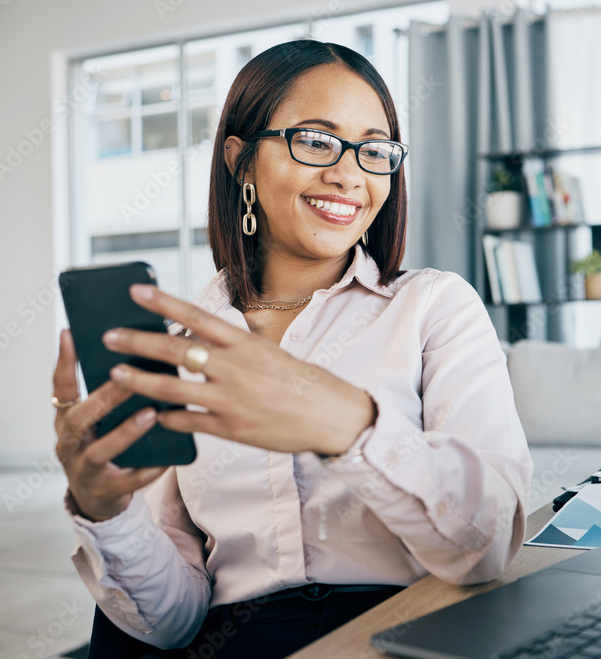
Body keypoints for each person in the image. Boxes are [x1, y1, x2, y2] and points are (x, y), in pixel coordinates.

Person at [52, 40, 533, 658]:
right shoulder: (180, 349)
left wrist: (346, 425)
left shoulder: (434, 307)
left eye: (374, 150)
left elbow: (486, 546)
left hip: (405, 633)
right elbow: (171, 622)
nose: (350, 174)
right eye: (315, 140)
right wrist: (107, 510)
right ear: (241, 160)